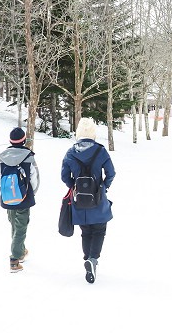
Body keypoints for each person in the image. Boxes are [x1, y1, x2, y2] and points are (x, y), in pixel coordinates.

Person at [61, 117, 115, 284]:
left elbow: (64, 177)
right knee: (99, 230)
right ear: (93, 133)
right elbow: (111, 173)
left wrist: (74, 187)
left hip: (80, 201)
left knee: (86, 231)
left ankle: (88, 258)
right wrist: (104, 187)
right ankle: (92, 259)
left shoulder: (70, 152)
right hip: (98, 198)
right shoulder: (101, 151)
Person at [0, 127, 40, 273]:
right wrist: (30, 192)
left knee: (14, 224)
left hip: (8, 196)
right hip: (24, 196)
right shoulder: (28, 156)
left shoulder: (3, 157)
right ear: (23, 140)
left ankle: (21, 251)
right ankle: (14, 260)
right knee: (21, 226)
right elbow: (34, 178)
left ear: (10, 140)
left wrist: (6, 191)